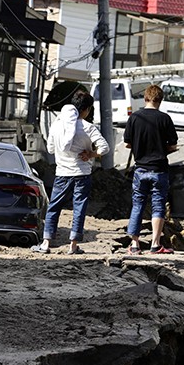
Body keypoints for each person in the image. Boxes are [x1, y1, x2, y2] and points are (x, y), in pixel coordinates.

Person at [33, 90, 109, 255]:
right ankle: (73, 246)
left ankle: (46, 243)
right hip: (82, 173)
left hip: (62, 173)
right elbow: (105, 148)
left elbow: (51, 149)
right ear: (86, 109)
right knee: (79, 208)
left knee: (54, 207)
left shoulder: (56, 125)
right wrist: (91, 154)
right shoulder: (88, 127)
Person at [123, 84, 178, 255]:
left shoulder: (134, 118)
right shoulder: (165, 119)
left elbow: (127, 143)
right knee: (158, 205)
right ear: (160, 100)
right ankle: (155, 244)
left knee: (138, 204)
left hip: (140, 169)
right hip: (159, 169)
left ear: (145, 98)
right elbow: (173, 145)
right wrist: (164, 148)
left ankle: (134, 244)